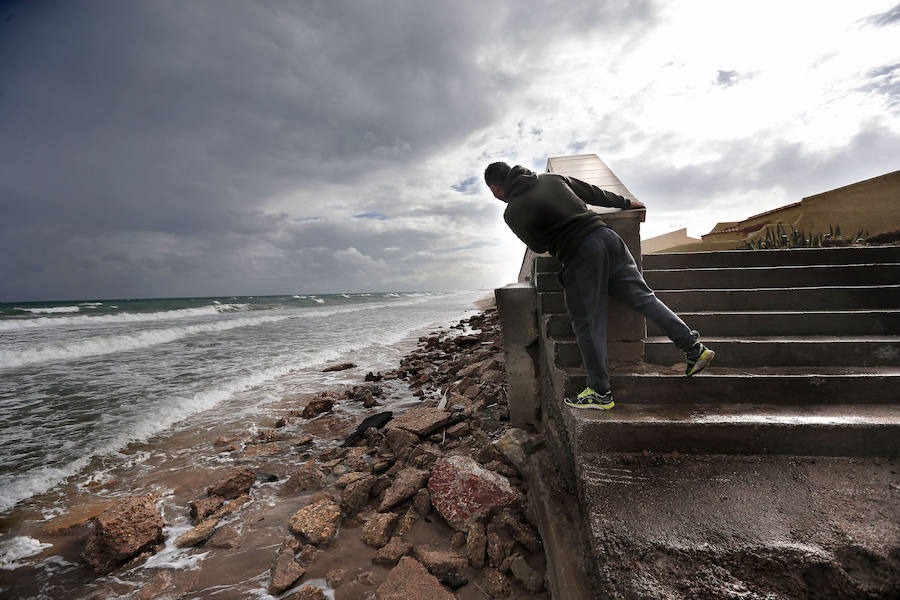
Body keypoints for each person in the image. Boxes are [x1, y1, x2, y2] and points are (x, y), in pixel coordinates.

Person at [485, 161, 715, 410]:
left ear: (497, 188)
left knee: (587, 322)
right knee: (644, 299)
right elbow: (592, 192)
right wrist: (626, 204)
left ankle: (599, 391)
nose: (495, 195)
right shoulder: (551, 179)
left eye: (492, 191)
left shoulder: (512, 212)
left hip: (580, 255)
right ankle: (693, 347)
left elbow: (539, 247)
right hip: (608, 238)